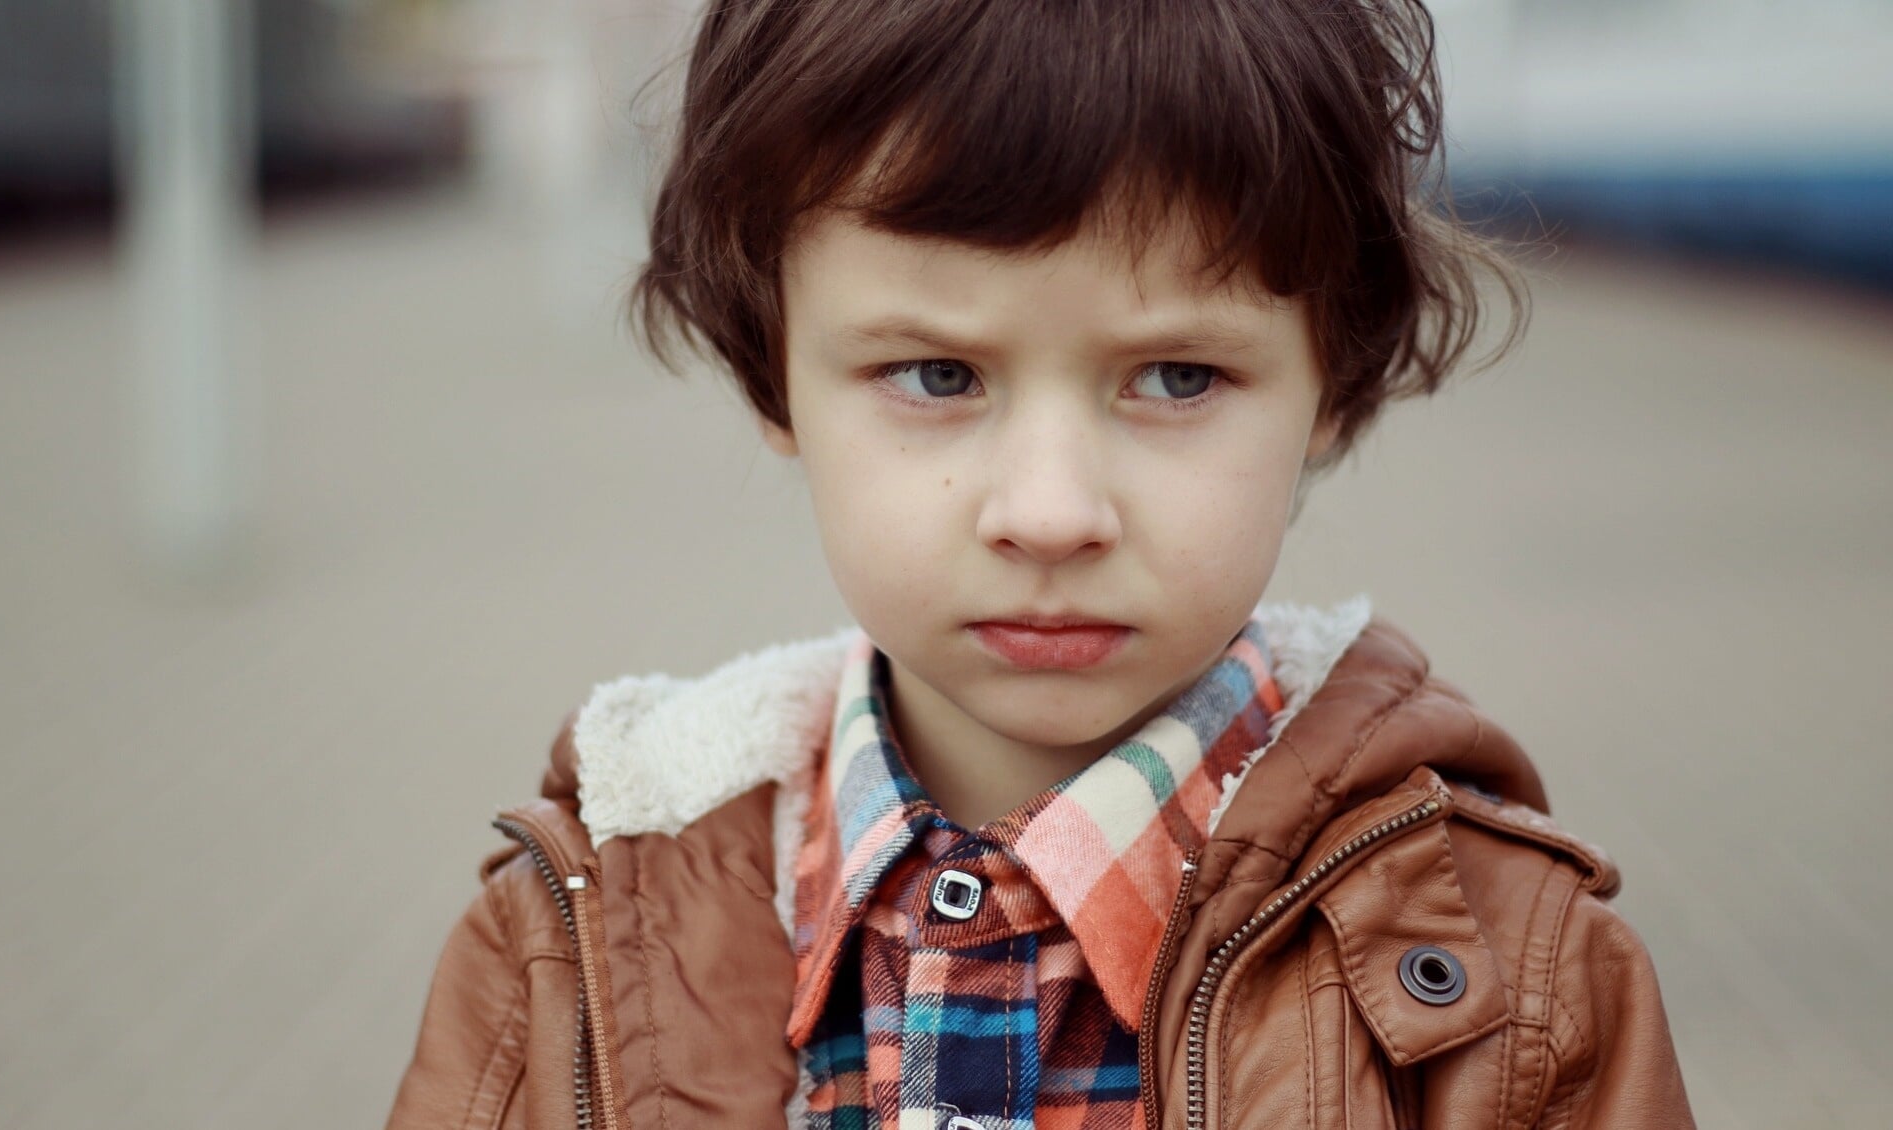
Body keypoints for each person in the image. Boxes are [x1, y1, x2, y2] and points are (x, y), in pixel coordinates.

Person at [386, 1, 1695, 1127]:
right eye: (938, 374)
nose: (1054, 511)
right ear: (771, 370)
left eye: (1179, 376)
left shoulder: (1511, 989)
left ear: (1334, 384)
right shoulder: (570, 950)